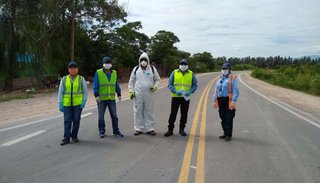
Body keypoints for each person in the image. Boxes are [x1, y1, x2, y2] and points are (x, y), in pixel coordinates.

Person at [128, 52, 161, 136]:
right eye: (142, 59)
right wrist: (131, 91)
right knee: (137, 111)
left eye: (145, 59)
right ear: (139, 60)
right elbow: (131, 82)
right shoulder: (136, 69)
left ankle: (150, 128)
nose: (143, 61)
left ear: (148, 60)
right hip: (138, 94)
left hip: (149, 94)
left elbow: (157, 80)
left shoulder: (152, 69)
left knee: (149, 111)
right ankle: (138, 128)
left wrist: (155, 87)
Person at [164, 59, 198, 137]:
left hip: (186, 97)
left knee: (184, 114)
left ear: (187, 65)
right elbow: (170, 84)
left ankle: (182, 129)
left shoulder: (191, 73)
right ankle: (170, 129)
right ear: (179, 65)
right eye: (182, 64)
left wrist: (190, 91)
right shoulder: (174, 72)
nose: (183, 65)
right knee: (173, 114)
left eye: (185, 64)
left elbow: (195, 85)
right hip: (176, 96)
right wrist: (175, 91)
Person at [58, 61, 88, 145]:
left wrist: (84, 101)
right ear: (68, 69)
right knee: (67, 121)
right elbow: (60, 92)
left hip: (77, 104)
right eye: (71, 68)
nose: (73, 69)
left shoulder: (81, 79)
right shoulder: (64, 79)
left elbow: (85, 92)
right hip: (67, 104)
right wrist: (60, 103)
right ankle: (66, 138)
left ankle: (74, 136)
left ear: (77, 69)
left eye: (75, 68)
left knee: (76, 120)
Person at [93, 56, 124, 138]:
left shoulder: (114, 73)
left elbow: (116, 84)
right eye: (106, 63)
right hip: (101, 99)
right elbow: (95, 84)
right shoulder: (98, 72)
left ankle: (116, 131)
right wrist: (96, 95)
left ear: (111, 64)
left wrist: (119, 93)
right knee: (101, 116)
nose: (107, 64)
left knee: (114, 116)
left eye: (109, 63)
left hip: (111, 99)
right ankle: (101, 131)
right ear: (103, 64)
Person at [213, 62, 239, 141]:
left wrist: (233, 102)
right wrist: (214, 100)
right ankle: (225, 132)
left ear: (229, 70)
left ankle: (228, 134)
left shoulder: (232, 78)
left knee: (229, 118)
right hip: (220, 100)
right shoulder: (219, 78)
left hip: (229, 101)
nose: (224, 70)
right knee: (222, 117)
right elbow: (216, 90)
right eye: (223, 69)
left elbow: (235, 91)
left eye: (226, 69)